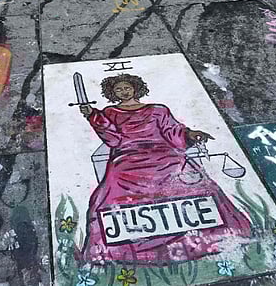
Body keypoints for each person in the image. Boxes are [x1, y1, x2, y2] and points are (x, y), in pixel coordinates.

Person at [77, 74, 253, 263]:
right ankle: (121, 250)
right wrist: (94, 116)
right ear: (112, 93)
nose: (123, 92)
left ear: (136, 88)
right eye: (118, 89)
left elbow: (173, 131)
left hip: (165, 154)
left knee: (195, 184)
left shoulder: (158, 110)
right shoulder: (110, 113)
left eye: (126, 87)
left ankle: (208, 236)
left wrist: (191, 134)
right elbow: (114, 140)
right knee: (110, 193)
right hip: (127, 158)